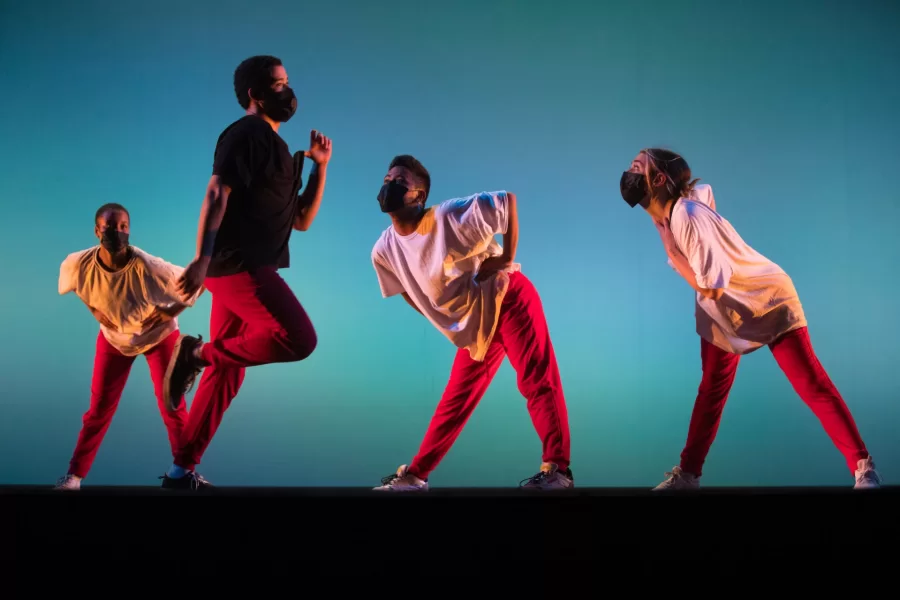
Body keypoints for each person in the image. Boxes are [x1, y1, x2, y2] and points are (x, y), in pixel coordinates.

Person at [620, 147, 882, 491]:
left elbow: (711, 287)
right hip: (727, 315)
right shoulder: (680, 209)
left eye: (638, 167)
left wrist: (671, 250)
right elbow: (704, 190)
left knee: (811, 384)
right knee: (711, 392)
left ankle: (864, 468)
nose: (629, 172)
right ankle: (688, 476)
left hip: (767, 299)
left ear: (657, 180)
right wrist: (666, 222)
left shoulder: (685, 217)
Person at [160, 55, 332, 490]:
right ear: (255, 95)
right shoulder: (245, 133)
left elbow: (303, 220)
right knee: (298, 339)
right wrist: (201, 259)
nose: (288, 92)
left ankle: (181, 471)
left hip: (252, 266)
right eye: (278, 85)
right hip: (238, 266)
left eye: (288, 82)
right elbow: (217, 190)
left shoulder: (280, 152)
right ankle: (195, 354)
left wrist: (318, 166)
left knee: (228, 372)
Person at [369, 155, 573, 492]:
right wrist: (440, 312)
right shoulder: (383, 249)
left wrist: (506, 258)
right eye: (388, 177)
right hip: (477, 323)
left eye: (400, 181)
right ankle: (415, 477)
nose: (390, 184)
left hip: (508, 297)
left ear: (418, 196)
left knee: (535, 378)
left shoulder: (448, 216)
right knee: (456, 399)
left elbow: (507, 202)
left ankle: (558, 472)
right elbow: (404, 289)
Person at [55, 203, 203, 490]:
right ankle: (73, 477)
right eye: (110, 226)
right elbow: (74, 283)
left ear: (129, 230)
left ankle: (184, 472)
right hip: (115, 339)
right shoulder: (78, 263)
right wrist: (93, 309)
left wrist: (171, 312)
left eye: (123, 227)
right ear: (97, 230)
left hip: (158, 336)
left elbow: (199, 282)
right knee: (98, 409)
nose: (117, 232)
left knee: (172, 405)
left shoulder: (149, 267)